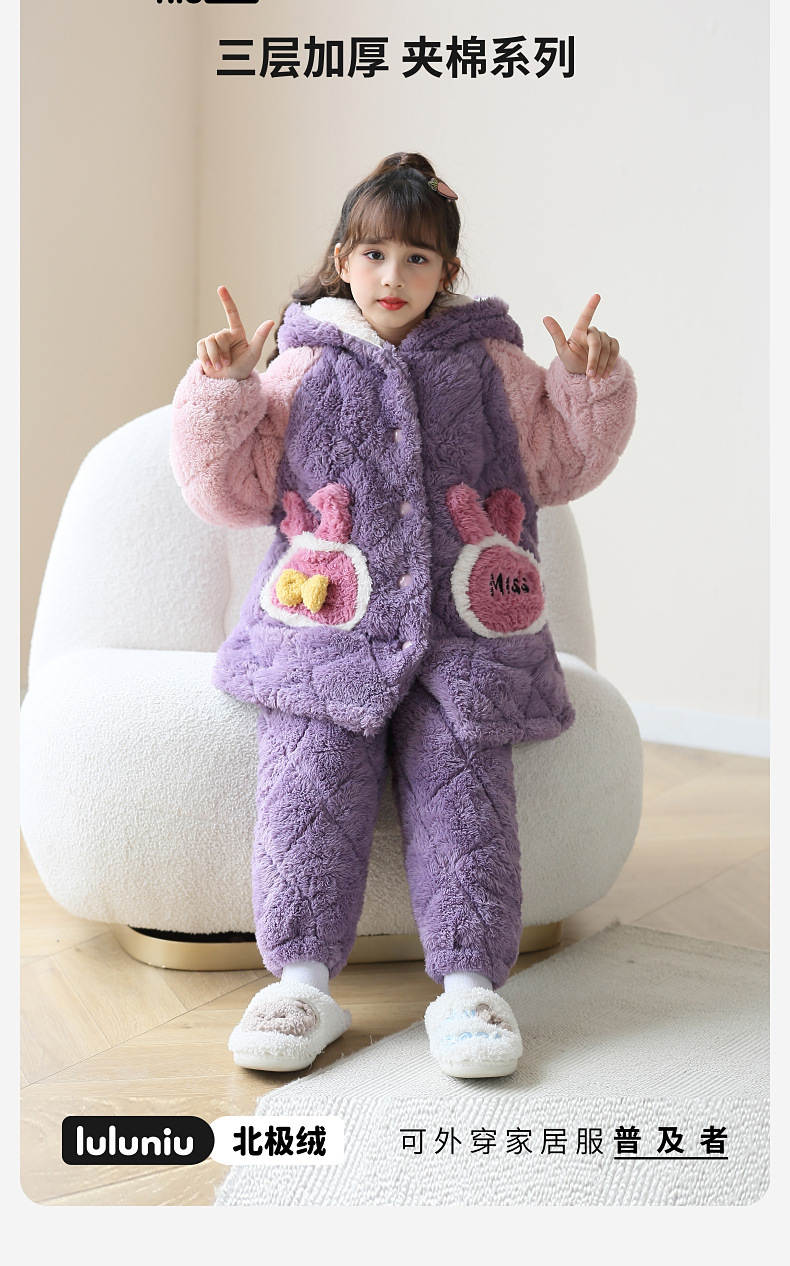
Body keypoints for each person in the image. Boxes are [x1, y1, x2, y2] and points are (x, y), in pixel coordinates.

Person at [170, 151, 636, 1079]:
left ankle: (470, 990)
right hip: (325, 636)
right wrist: (224, 391)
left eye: (418, 258)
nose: (394, 275)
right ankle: (300, 983)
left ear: (446, 270)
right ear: (343, 261)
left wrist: (588, 384)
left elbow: (562, 463)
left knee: (467, 797)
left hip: (464, 640)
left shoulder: (496, 368)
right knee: (307, 787)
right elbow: (227, 491)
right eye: (375, 254)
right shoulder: (298, 367)